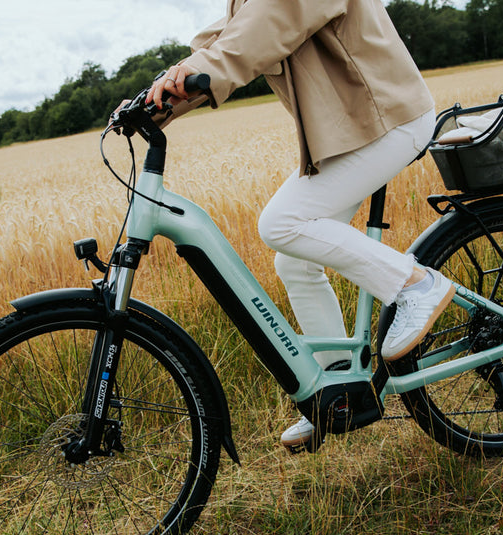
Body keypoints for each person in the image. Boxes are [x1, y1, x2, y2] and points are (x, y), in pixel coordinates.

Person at [146, 0, 456, 452]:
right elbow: (228, 34)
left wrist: (194, 71)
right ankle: (336, 394)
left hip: (386, 118)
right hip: (353, 129)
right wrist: (158, 99)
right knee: (293, 261)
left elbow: (266, 24)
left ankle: (416, 285)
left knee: (283, 223)